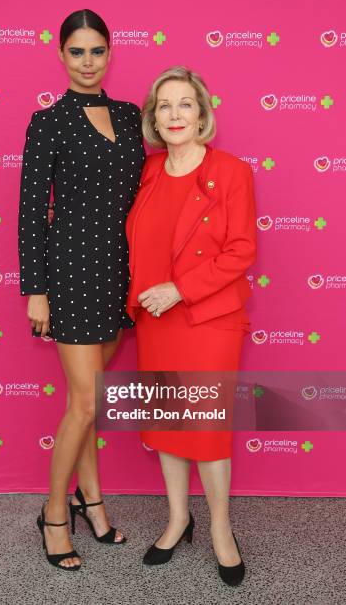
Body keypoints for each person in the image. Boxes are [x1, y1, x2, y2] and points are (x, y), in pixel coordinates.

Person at [17, 9, 145, 570]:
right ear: (61, 55)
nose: (88, 62)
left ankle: (91, 502)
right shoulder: (47, 122)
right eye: (77, 52)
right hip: (68, 272)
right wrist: (35, 290)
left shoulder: (131, 114)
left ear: (110, 53)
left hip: (119, 271)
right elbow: (29, 212)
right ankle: (52, 515)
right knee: (89, 402)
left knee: (85, 403)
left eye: (97, 51)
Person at [125, 66, 256, 586]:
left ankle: (221, 529)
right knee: (167, 424)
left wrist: (180, 289)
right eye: (164, 105)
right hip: (155, 320)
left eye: (185, 104)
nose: (174, 115)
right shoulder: (148, 170)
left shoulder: (231, 171)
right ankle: (179, 519)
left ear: (202, 114)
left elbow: (242, 249)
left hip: (207, 317)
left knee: (205, 426)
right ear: (153, 117)